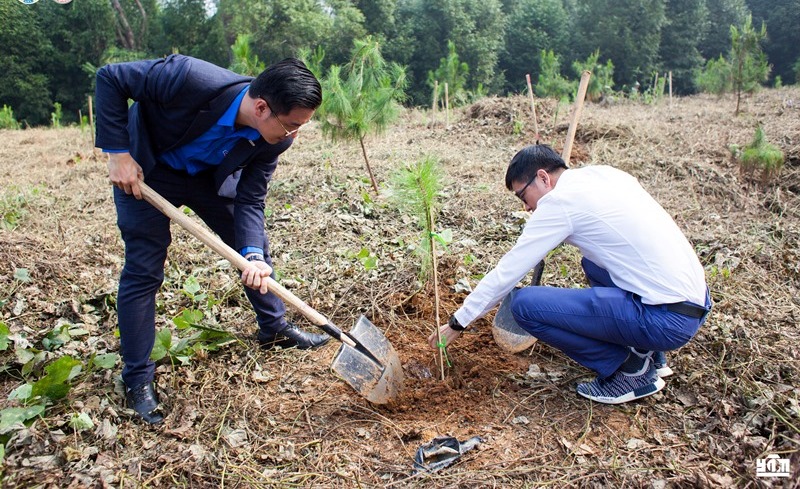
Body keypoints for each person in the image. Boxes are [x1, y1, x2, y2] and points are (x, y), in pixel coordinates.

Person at [95, 55, 330, 424]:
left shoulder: (276, 139)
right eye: (290, 126)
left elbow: (251, 198)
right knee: (143, 271)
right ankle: (137, 378)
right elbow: (110, 78)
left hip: (209, 178)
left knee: (254, 250)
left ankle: (274, 329)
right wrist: (118, 153)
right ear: (261, 107)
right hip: (147, 170)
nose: (294, 136)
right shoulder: (188, 78)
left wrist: (252, 254)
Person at [429, 144, 711, 405]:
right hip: (693, 302)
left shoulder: (559, 203)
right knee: (594, 264)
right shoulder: (605, 175)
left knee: (524, 306)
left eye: (522, 196)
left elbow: (508, 272)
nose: (526, 207)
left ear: (543, 178)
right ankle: (648, 353)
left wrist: (458, 322)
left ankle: (629, 370)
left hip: (666, 320)